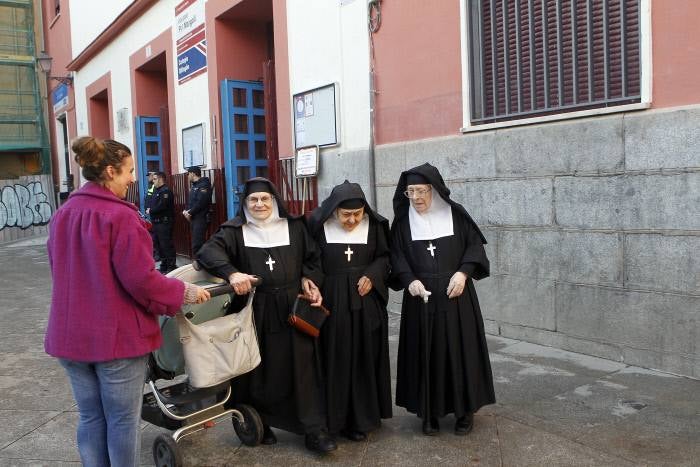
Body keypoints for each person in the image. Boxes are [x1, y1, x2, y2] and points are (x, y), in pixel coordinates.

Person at [45, 136, 210, 467]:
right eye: (129, 171)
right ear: (109, 171)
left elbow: (59, 269)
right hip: (116, 341)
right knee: (122, 421)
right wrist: (183, 293)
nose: (134, 178)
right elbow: (141, 280)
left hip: (70, 339)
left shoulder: (63, 214)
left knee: (91, 418)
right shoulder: (120, 217)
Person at [197, 177, 337, 453]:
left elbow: (313, 259)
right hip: (255, 307)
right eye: (253, 200)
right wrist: (232, 272)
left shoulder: (295, 226)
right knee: (258, 368)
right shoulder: (234, 230)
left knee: (303, 367)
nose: (259, 204)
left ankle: (313, 429)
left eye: (264, 199)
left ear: (274, 201)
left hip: (291, 306)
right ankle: (260, 421)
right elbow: (207, 251)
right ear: (245, 203)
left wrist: (310, 279)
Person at [389, 163, 495, 436]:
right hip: (420, 298)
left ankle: (464, 411)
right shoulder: (402, 223)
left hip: (456, 297)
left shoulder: (456, 216)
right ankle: (428, 412)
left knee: (460, 352)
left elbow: (474, 247)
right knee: (425, 352)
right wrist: (409, 279)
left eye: (422, 191)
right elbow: (396, 256)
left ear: (434, 191)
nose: (416, 198)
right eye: (410, 192)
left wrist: (463, 274)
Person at [308, 181, 393, 442]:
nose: (352, 220)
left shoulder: (376, 226)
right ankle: (330, 419)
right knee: (333, 358)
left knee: (362, 357)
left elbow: (385, 257)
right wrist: (308, 281)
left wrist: (373, 274)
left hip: (364, 301)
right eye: (346, 215)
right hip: (330, 301)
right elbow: (308, 260)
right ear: (334, 211)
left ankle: (360, 419)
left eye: (358, 215)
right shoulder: (317, 227)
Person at [147, 171, 177, 273]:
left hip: (164, 223)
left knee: (166, 245)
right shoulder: (156, 190)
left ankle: (171, 266)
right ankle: (164, 265)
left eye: (155, 179)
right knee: (159, 245)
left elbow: (162, 206)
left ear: (160, 179)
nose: (153, 181)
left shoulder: (166, 191)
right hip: (156, 223)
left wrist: (150, 210)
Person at [182, 166, 212, 256]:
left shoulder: (204, 185)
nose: (187, 176)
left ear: (192, 173)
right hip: (194, 218)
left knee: (198, 244)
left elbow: (201, 202)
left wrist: (189, 212)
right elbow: (192, 201)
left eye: (188, 174)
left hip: (201, 218)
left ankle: (200, 264)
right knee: (196, 242)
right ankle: (199, 263)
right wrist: (186, 211)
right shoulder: (195, 186)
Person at [144, 171, 158, 261]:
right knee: (152, 234)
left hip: (153, 213)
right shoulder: (150, 185)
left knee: (155, 235)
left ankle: (157, 254)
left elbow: (154, 199)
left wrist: (150, 208)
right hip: (150, 212)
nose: (148, 177)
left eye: (149, 175)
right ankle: (155, 252)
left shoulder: (155, 186)